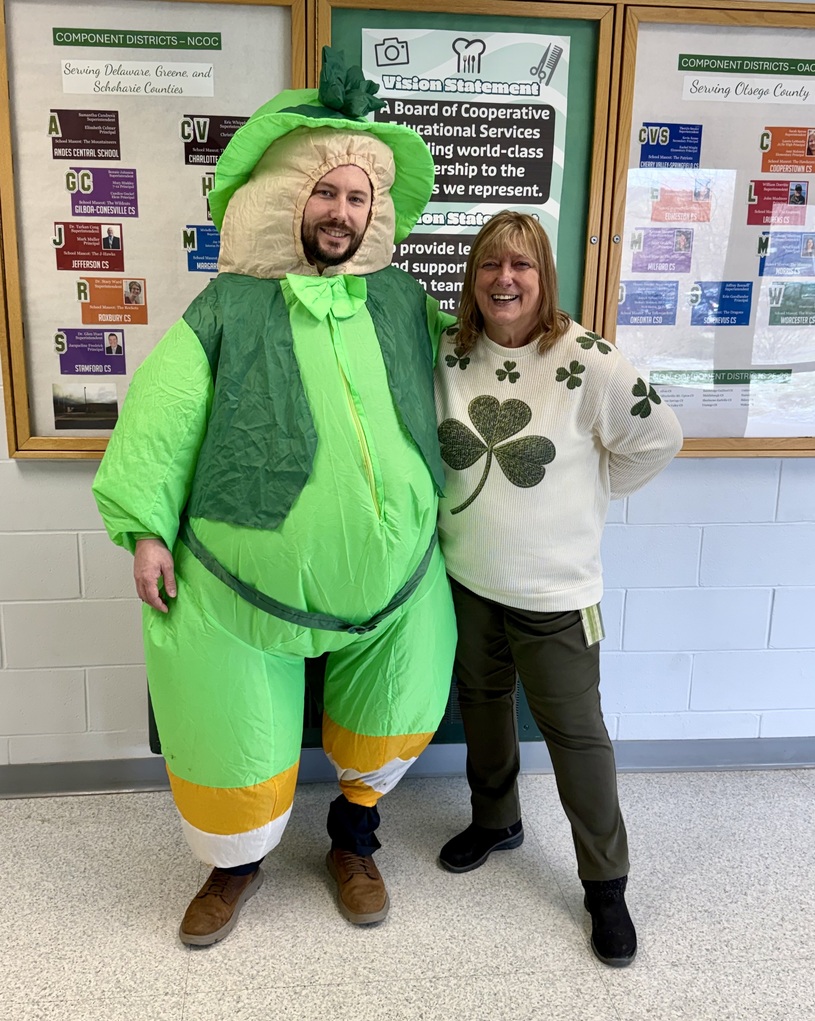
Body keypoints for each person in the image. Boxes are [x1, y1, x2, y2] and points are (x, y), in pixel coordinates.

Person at [92, 49, 456, 947]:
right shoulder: (224, 309)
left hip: (394, 581)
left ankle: (355, 841)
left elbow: (486, 367)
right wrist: (143, 529)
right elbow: (163, 415)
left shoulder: (406, 302)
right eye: (324, 192)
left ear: (377, 210)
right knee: (233, 730)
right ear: (285, 197)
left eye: (357, 196)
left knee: (396, 700)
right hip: (236, 586)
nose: (341, 211)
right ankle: (234, 866)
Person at [434, 211, 683, 968]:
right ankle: (497, 818)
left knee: (576, 736)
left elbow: (659, 436)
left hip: (554, 593)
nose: (504, 279)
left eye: (522, 267)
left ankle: (605, 884)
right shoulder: (450, 350)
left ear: (544, 278)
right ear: (473, 279)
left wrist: (594, 493)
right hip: (467, 580)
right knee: (482, 705)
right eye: (489, 266)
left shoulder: (591, 362)